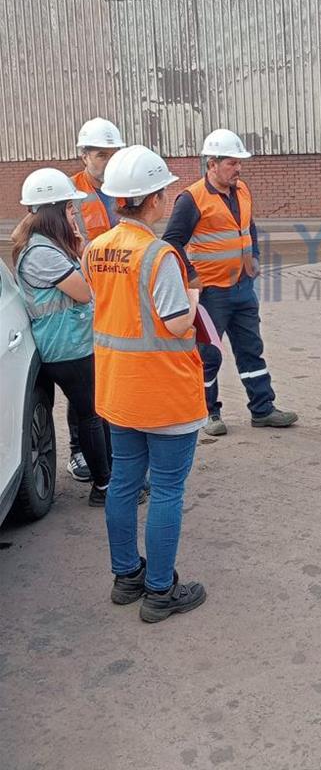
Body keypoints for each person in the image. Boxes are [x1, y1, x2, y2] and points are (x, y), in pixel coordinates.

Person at [83, 145, 207, 623]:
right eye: (165, 192)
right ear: (153, 199)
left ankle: (126, 577)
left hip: (118, 388)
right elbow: (176, 323)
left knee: (123, 483)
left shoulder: (96, 248)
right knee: (168, 489)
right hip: (164, 393)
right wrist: (195, 295)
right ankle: (159, 591)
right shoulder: (159, 255)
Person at [163, 129, 297, 435]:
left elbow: (249, 227)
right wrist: (192, 277)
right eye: (232, 163)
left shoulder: (242, 190)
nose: (238, 168)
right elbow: (171, 242)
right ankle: (208, 413)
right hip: (212, 293)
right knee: (208, 355)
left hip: (242, 287)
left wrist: (255, 256)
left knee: (251, 349)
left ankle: (263, 409)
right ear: (212, 164)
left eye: (239, 162)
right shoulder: (191, 199)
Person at [12, 169, 112, 507]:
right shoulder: (42, 253)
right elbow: (84, 292)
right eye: (70, 208)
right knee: (92, 415)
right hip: (67, 349)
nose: (74, 213)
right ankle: (104, 486)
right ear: (53, 212)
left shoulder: (46, 246)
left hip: (70, 345)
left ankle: (104, 475)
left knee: (91, 412)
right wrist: (81, 253)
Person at [64, 117, 126, 483]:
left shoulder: (124, 186)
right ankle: (79, 451)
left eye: (112, 153)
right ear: (84, 155)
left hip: (118, 295)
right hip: (85, 297)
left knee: (113, 374)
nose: (108, 161)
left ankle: (113, 445)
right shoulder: (69, 192)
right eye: (101, 155)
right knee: (85, 381)